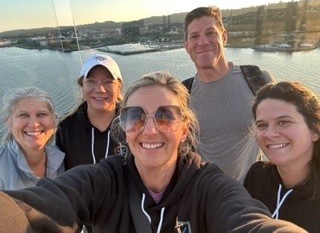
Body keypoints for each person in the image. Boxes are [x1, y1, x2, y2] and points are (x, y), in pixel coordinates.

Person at [1, 72, 306, 232]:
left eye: (166, 115)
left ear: (184, 128)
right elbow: (40, 207)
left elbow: (248, 220)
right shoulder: (104, 179)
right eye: (135, 116)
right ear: (126, 128)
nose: (149, 130)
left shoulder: (208, 185)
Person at [182, 6, 276, 182]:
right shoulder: (183, 95)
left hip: (252, 196)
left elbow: (284, 132)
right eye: (194, 36)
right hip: (206, 197)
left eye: (210, 33)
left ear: (224, 37)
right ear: (187, 46)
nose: (203, 42)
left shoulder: (258, 80)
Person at [244, 81, 320, 232]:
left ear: (315, 131)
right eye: (262, 125)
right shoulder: (257, 176)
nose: (270, 134)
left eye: (283, 122)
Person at [56, 54, 123, 170]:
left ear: (119, 87)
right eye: (91, 81)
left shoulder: (134, 123)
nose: (100, 89)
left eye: (108, 82)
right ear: (82, 86)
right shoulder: (65, 127)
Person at [0, 87, 65, 190]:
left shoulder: (64, 160)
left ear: (54, 121)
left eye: (42, 114)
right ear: (9, 123)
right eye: (23, 115)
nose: (34, 124)